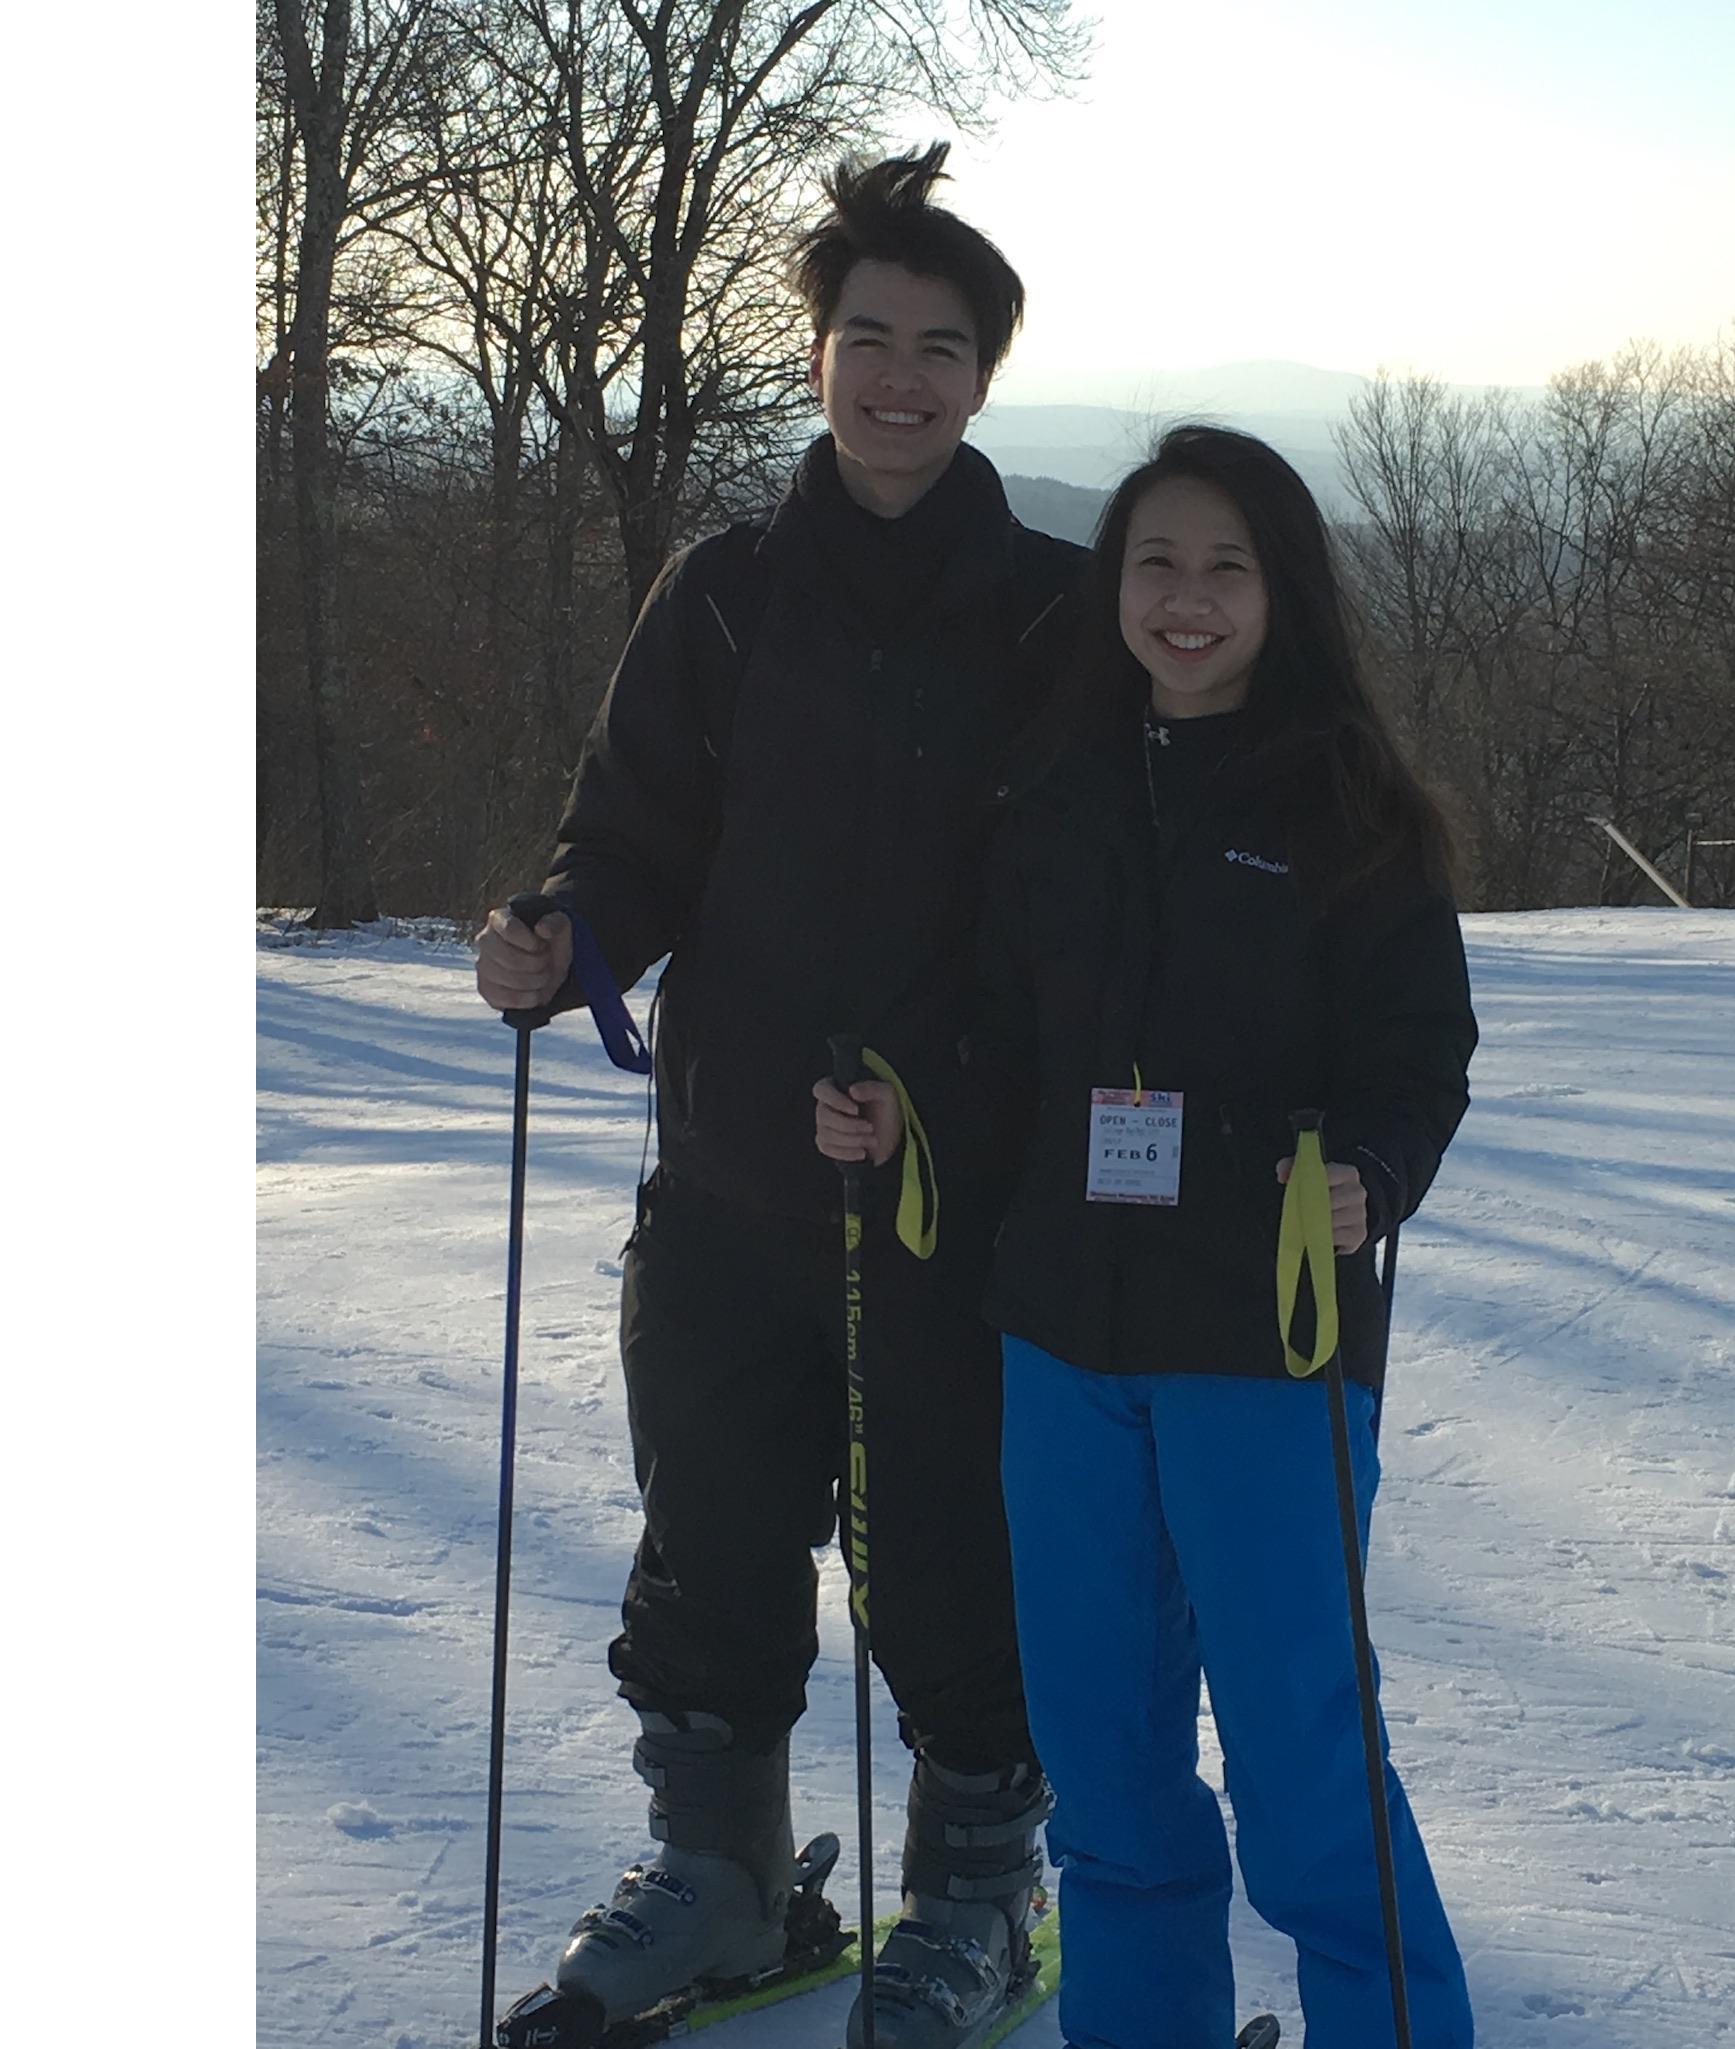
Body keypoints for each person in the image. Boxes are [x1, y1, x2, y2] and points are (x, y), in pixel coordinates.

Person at [475, 145, 1083, 2049]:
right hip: (730, 1175)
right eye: (869, 339)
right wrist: (561, 933)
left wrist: (946, 1097)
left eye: (943, 347)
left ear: (985, 376)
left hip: (956, 1206)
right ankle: (722, 1874)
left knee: (952, 1557)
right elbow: (634, 836)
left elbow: (1078, 931)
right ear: (813, 353)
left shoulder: (1058, 620)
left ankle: (980, 1883)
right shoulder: (725, 594)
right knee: (713, 1532)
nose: (900, 377)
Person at [815, 426, 1480, 2048]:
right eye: (1155, 564)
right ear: (1114, 582)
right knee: (1106, 1758)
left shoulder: (1344, 802)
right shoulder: (1057, 784)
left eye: (1225, 567)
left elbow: (1419, 1052)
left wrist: (1372, 1174)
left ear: (1282, 592)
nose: (1186, 600)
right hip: (1061, 1336)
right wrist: (909, 1111)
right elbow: (995, 1036)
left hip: (1267, 1339)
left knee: (1299, 1758)